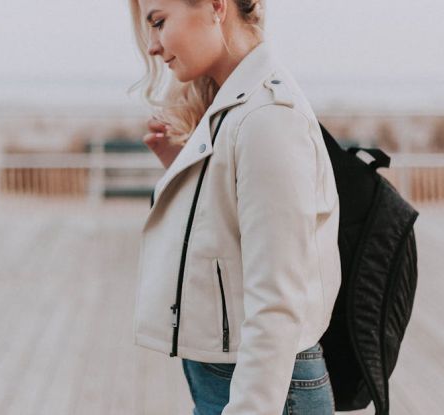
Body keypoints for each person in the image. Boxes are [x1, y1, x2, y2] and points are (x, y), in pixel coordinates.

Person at [128, 1, 341, 414]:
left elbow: (278, 300)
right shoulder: (237, 106)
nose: (153, 46)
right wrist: (185, 167)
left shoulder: (267, 117)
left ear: (215, 6)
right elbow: (229, 235)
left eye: (158, 22)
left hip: (267, 392)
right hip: (240, 383)